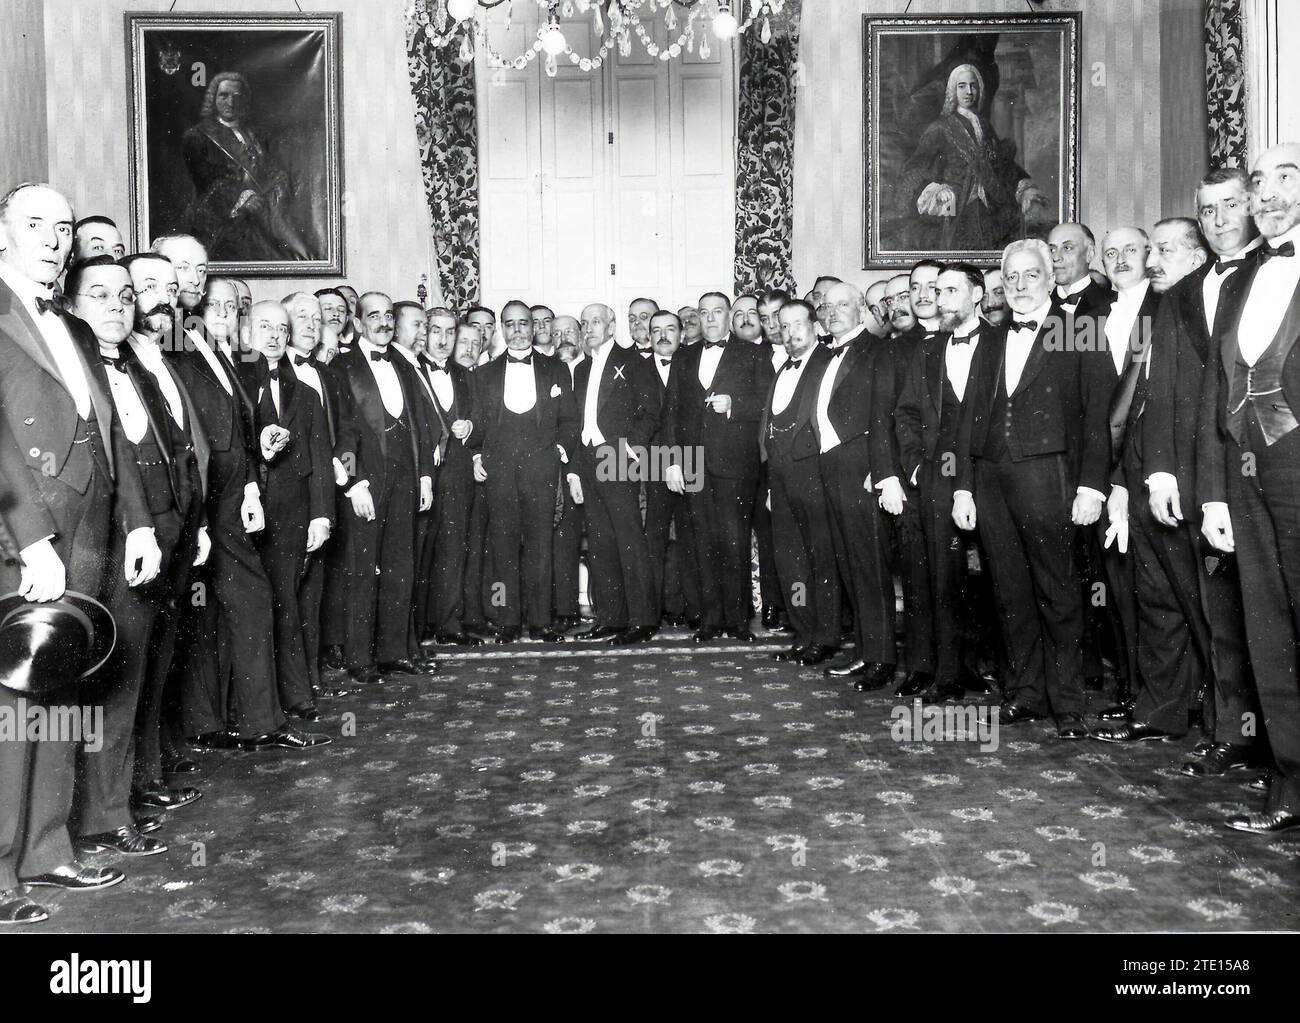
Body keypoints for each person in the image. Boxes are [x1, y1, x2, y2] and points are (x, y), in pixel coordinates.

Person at [0, 183, 156, 922]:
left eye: (63, 228)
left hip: (89, 534)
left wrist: (140, 524)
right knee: (11, 713)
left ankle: (47, 847)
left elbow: (108, 435)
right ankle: (0, 872)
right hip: (26, 539)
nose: (53, 239)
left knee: (59, 701)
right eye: (34, 225)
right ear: (3, 233)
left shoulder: (66, 320)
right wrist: (30, 539)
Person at [952, 238, 1112, 739]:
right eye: (1011, 278)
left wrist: (1092, 486)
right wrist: (962, 488)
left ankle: (1067, 701)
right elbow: (968, 418)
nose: (1020, 286)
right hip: (992, 480)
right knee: (1010, 591)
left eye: (1031, 275)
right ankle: (1025, 693)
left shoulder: (1078, 329)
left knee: (1058, 591)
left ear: (1051, 277)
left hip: (1051, 478)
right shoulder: (991, 337)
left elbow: (1097, 417)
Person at [1140, 168, 1261, 777]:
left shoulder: (1271, 275)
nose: (1218, 220)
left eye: (1230, 206)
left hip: (1254, 468)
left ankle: (1272, 742)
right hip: (1192, 473)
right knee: (1214, 608)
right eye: (1207, 210)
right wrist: (1161, 472)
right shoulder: (1181, 294)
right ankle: (1230, 732)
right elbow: (1160, 389)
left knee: (1262, 612)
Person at [1197, 142, 1300, 833]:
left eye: (1284, 177)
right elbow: (1216, 388)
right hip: (1245, 472)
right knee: (1267, 629)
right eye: (1257, 181)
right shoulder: (1237, 279)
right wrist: (1212, 492)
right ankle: (1291, 780)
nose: (1266, 193)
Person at [895, 264, 1001, 703]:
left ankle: (983, 666)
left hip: (991, 472)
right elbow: (906, 413)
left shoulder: (1003, 342)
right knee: (936, 574)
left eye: (951, 291)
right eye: (938, 292)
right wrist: (917, 467)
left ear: (977, 295)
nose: (940, 300)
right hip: (937, 474)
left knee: (993, 574)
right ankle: (945, 671)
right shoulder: (926, 350)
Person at [240, 301, 336, 724]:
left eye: (282, 328)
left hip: (293, 512)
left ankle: (295, 694)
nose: (275, 335)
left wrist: (321, 516)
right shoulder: (233, 381)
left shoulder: (307, 393)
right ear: (247, 332)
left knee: (287, 604)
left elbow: (319, 455)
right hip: (240, 510)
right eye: (265, 326)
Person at [332, 293, 435, 681]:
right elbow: (339, 432)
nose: (383, 322)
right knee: (362, 570)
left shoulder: (405, 365)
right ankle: (360, 658)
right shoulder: (342, 367)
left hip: (406, 476)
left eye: (389, 316)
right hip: (366, 479)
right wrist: (353, 482)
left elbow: (421, 425)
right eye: (373, 316)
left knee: (400, 566)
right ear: (357, 323)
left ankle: (395, 650)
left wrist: (424, 475)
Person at [663, 292, 773, 642]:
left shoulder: (754, 353)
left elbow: (770, 405)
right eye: (704, 313)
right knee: (702, 542)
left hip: (735, 464)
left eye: (717, 312)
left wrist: (734, 404)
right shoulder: (683, 357)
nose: (710, 319)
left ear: (729, 317)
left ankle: (739, 621)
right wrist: (672, 462)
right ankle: (711, 620)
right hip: (693, 463)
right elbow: (671, 413)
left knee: (735, 541)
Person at [468, 300, 577, 642]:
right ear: (501, 329)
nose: (517, 331)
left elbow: (570, 419)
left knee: (541, 547)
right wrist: (474, 457)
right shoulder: (483, 374)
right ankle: (507, 620)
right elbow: (476, 424)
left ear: (533, 327)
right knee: (501, 548)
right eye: (510, 324)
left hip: (541, 468)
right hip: (499, 470)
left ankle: (541, 621)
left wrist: (561, 447)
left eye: (523, 324)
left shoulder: (556, 369)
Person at [811, 282, 902, 689]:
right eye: (826, 306)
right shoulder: (823, 354)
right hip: (831, 468)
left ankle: (881, 658)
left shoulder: (877, 349)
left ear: (862, 309)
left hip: (862, 468)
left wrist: (880, 468)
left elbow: (887, 415)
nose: (832, 312)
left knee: (870, 566)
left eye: (842, 305)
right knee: (849, 564)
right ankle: (864, 652)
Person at [568, 303, 661, 644]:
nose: (588, 327)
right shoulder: (581, 369)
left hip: (618, 456)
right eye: (584, 322)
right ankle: (612, 618)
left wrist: (629, 450)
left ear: (611, 326)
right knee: (601, 543)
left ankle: (643, 619)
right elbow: (579, 425)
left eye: (596, 321)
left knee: (629, 540)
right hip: (589, 459)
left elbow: (651, 411)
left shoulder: (634, 361)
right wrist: (576, 472)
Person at [761, 300, 840, 666]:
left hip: (814, 477)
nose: (791, 333)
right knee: (791, 561)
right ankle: (803, 632)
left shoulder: (828, 362)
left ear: (815, 326)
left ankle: (826, 636)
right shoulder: (780, 368)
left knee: (820, 561)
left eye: (798, 325)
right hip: (780, 478)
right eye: (784, 325)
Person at [900, 64, 1045, 251]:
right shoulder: (940, 128)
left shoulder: (984, 127)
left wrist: (1025, 187)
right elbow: (915, 169)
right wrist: (937, 190)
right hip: (957, 210)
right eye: (962, 86)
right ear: (953, 89)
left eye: (973, 85)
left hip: (990, 208)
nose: (969, 91)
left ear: (979, 89)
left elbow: (1002, 166)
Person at [180, 71, 313, 261]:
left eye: (237, 96)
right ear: (213, 98)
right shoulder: (199, 137)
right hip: (224, 223)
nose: (231, 102)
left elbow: (271, 169)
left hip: (264, 217)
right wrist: (242, 199)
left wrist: (279, 183)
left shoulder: (256, 135)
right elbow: (205, 185)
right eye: (224, 96)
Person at [420, 308, 479, 644]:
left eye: (450, 332)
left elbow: (479, 421)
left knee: (453, 550)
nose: (443, 340)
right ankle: (416, 627)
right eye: (435, 331)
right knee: (420, 549)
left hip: (457, 474)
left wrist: (470, 427)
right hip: (422, 475)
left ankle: (448, 624)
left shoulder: (466, 376)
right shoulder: (411, 370)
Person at [643, 311, 700, 627]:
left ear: (682, 333)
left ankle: (689, 609)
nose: (663, 335)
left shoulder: (696, 363)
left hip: (691, 458)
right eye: (656, 330)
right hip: (650, 462)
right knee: (654, 536)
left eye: (670, 329)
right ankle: (652, 612)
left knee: (690, 536)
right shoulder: (636, 369)